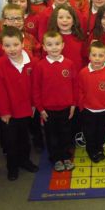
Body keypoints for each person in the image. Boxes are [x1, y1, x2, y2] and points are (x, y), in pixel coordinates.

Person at [0, 26, 39, 181]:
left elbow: (35, 86)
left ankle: (25, 161)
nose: (12, 49)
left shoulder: (32, 62)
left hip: (26, 109)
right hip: (9, 112)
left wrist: (34, 105)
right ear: (2, 47)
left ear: (22, 43)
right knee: (11, 142)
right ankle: (12, 167)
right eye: (7, 46)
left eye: (15, 45)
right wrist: (4, 111)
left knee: (24, 139)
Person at [33, 31, 77, 172]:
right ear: (44, 47)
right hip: (48, 110)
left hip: (66, 108)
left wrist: (73, 104)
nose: (54, 47)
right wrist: (40, 109)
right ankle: (56, 158)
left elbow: (75, 85)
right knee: (52, 136)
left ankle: (65, 157)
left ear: (62, 45)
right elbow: (36, 89)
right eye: (50, 45)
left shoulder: (69, 64)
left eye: (57, 44)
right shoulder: (40, 66)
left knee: (66, 134)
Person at [78, 41, 105, 163]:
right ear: (89, 56)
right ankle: (91, 149)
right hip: (88, 110)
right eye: (94, 55)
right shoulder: (83, 73)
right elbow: (80, 90)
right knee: (89, 132)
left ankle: (99, 147)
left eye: (101, 55)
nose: (97, 58)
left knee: (102, 131)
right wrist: (81, 106)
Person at [47, 3, 87, 73]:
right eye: (61, 17)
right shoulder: (50, 39)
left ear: (74, 21)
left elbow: (85, 59)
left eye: (68, 17)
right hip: (56, 75)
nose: (64, 20)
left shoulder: (79, 39)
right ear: (55, 20)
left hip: (77, 75)